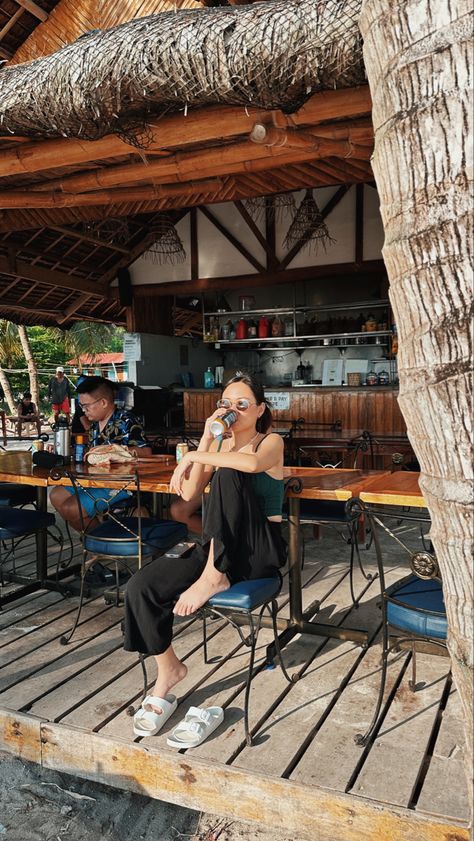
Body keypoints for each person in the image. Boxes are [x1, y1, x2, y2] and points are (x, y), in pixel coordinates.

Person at [124, 373, 286, 715]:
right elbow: (188, 495)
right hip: (219, 546)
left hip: (259, 552)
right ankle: (170, 669)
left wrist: (192, 458)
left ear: (260, 410)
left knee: (229, 473)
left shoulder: (270, 442)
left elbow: (251, 464)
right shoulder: (219, 448)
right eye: (226, 404)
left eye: (242, 405)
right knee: (140, 587)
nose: (233, 411)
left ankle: (213, 576)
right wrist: (203, 444)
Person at [50, 376, 152, 532]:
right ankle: (98, 538)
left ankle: (98, 542)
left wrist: (116, 451)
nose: (84, 410)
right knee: (56, 495)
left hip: (121, 484)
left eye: (86, 406)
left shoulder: (126, 420)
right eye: (81, 406)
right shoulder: (95, 425)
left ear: (103, 403)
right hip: (96, 480)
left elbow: (146, 452)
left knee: (72, 508)